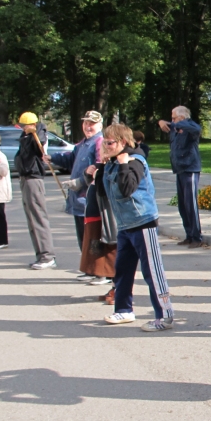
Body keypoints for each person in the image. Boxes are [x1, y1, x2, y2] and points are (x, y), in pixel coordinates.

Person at [99, 124, 174, 331]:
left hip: (143, 222)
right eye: (104, 142)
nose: (106, 145)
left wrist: (123, 165)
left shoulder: (135, 161)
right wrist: (100, 167)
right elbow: (103, 192)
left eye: (110, 142)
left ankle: (165, 315)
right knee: (122, 270)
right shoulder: (113, 162)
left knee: (152, 271)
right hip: (125, 225)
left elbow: (126, 190)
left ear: (123, 142)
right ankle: (123, 310)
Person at [45, 110, 104, 253]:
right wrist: (53, 158)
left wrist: (81, 181)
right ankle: (87, 269)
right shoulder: (82, 144)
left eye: (92, 124)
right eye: (86, 123)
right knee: (83, 238)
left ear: (100, 125)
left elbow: (100, 166)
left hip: (91, 200)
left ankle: (97, 270)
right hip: (79, 201)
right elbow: (70, 160)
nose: (88, 126)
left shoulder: (100, 142)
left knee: (93, 238)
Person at [14, 112, 57, 270]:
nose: (24, 128)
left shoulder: (39, 133)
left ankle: (47, 255)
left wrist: (34, 131)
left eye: (26, 125)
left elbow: (40, 145)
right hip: (25, 178)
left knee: (38, 217)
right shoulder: (25, 136)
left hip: (34, 178)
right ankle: (40, 254)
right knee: (31, 218)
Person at [158, 106, 202, 247]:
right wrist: (161, 121)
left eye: (174, 117)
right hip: (180, 169)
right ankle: (189, 234)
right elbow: (164, 124)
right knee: (182, 205)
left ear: (182, 117)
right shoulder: (175, 128)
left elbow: (196, 130)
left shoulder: (190, 126)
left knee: (191, 204)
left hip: (190, 169)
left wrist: (175, 124)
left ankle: (196, 237)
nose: (171, 121)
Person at [76, 157, 117, 292]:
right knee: (92, 245)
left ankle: (105, 274)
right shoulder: (100, 165)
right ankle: (93, 271)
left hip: (103, 214)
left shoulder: (112, 167)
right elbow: (91, 183)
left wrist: (98, 175)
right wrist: (88, 174)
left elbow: (104, 188)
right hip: (92, 213)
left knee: (102, 245)